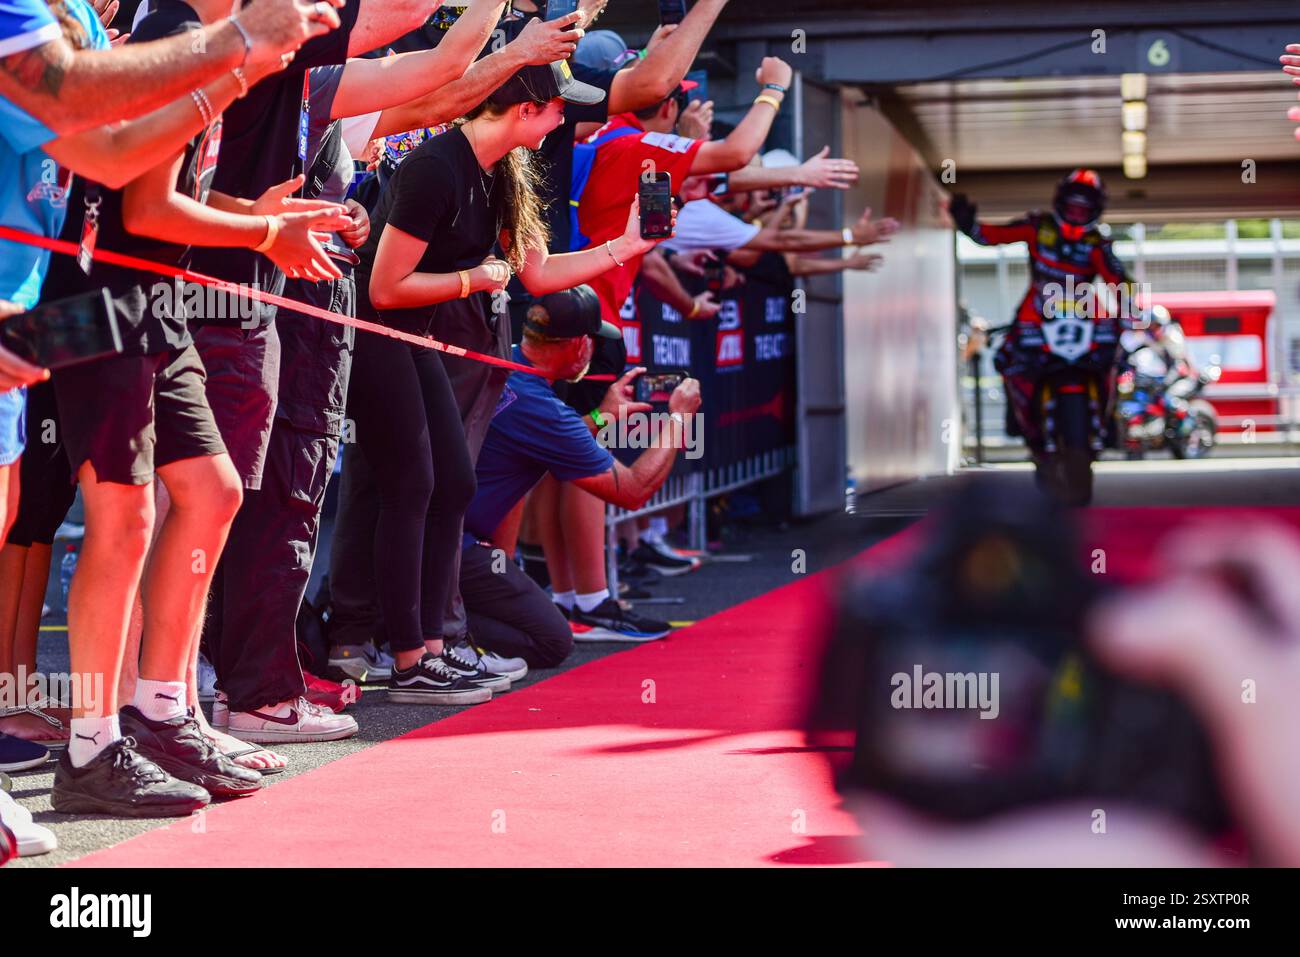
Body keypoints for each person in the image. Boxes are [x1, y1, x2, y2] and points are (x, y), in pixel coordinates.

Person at [340, 59, 676, 704]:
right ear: (526, 109)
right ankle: (406, 656)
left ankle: (433, 648)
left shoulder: (506, 171)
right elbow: (384, 288)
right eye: (558, 109)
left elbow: (541, 274)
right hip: (380, 333)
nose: (563, 121)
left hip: (425, 337)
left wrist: (628, 246)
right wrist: (475, 279)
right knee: (410, 486)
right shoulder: (437, 165)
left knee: (451, 483)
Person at [460, 284, 702, 662]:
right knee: (551, 641)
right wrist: (678, 418)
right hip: (453, 548)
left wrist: (599, 418)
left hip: (433, 537)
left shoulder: (501, 360)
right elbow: (633, 490)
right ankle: (438, 631)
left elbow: (531, 439)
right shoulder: (544, 409)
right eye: (592, 340)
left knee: (526, 611)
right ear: (578, 346)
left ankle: (429, 623)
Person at [948, 170, 1138, 455]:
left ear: (1095, 210)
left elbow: (1120, 281)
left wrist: (1129, 314)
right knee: (1006, 356)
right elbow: (992, 236)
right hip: (1035, 316)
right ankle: (1020, 420)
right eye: (1072, 207)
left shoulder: (1098, 244)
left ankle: (1106, 421)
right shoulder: (1038, 227)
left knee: (1118, 360)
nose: (1076, 214)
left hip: (1085, 319)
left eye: (1083, 209)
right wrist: (968, 225)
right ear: (1060, 203)